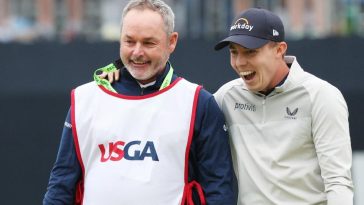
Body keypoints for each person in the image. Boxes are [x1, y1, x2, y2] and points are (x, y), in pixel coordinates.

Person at [42, 0, 237, 204]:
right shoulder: (85, 98)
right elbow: (61, 186)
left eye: (148, 43)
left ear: (172, 41)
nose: (137, 52)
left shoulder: (198, 102)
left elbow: (218, 191)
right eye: (129, 41)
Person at [214, 8, 354, 205]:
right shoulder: (225, 97)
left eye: (250, 52)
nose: (239, 62)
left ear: (279, 50)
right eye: (234, 52)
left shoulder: (322, 96)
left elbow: (338, 181)